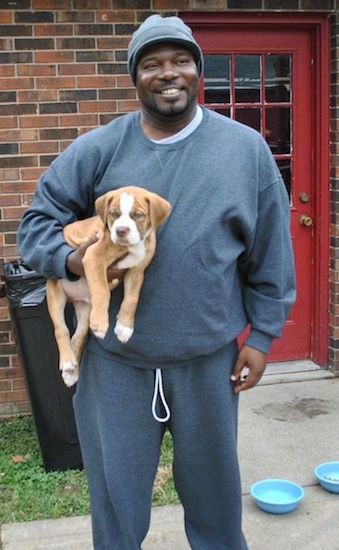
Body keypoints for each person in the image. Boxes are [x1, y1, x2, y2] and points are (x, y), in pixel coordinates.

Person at [17, 14, 296, 550]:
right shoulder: (98, 148)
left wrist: (261, 337)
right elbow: (36, 224)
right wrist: (72, 264)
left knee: (215, 505)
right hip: (115, 368)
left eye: (181, 61)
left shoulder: (244, 150)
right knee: (117, 508)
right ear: (135, 76)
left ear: (198, 70)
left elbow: (270, 255)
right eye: (151, 64)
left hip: (207, 359)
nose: (168, 74)